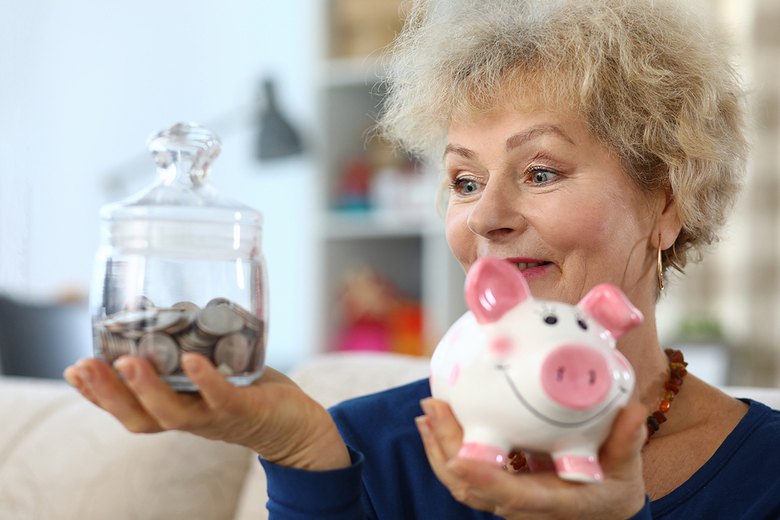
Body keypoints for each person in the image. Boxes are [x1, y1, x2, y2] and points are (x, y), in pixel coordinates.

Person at [65, 0, 780, 518]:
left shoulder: (767, 471)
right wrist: (301, 455)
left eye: (540, 172)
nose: (488, 218)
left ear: (666, 203)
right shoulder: (359, 447)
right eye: (465, 182)